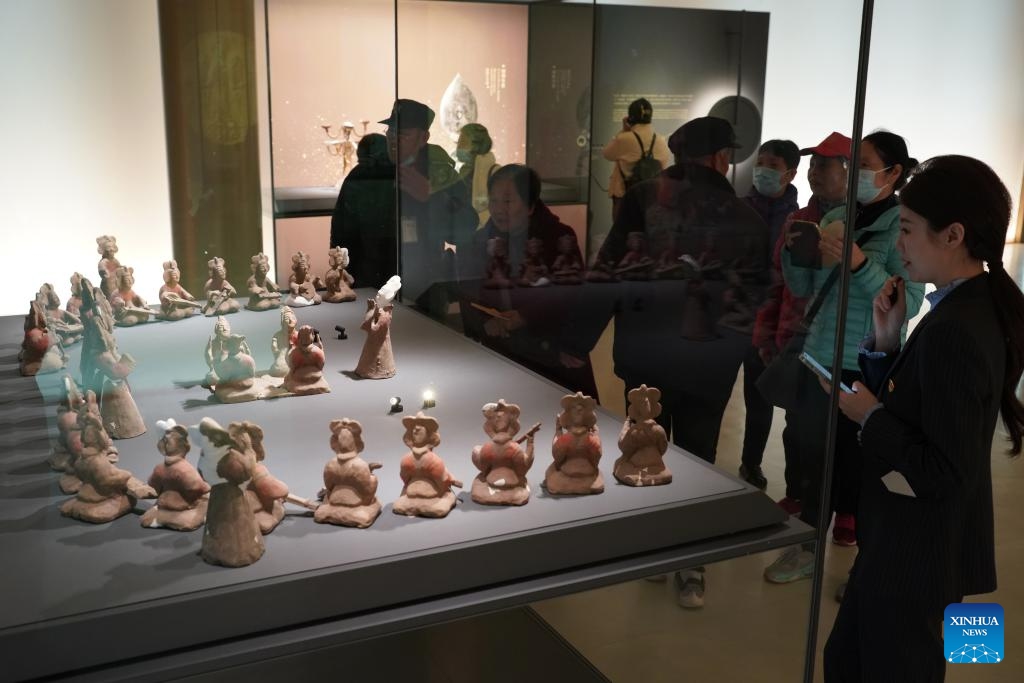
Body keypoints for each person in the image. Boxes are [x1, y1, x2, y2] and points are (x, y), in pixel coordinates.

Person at [823, 155, 1024, 682]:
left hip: (918, 555)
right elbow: (930, 407)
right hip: (927, 547)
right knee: (856, 658)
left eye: (908, 229)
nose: (899, 244)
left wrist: (869, 417)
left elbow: (945, 470)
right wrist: (888, 345)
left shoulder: (957, 327)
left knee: (887, 667)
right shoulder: (970, 307)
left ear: (953, 234)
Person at [566, 116, 770, 608]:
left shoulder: (643, 201)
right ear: (723, 157)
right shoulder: (745, 218)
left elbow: (610, 271)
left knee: (644, 448)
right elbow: (755, 295)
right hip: (708, 360)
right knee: (699, 454)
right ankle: (690, 564)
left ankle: (654, 547)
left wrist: (578, 339)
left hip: (647, 354)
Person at [764, 131, 924, 584]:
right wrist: (795, 254)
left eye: (866, 164)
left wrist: (858, 264)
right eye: (851, 164)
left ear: (893, 172)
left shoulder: (904, 226)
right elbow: (804, 290)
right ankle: (807, 547)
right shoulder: (836, 215)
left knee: (859, 472)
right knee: (814, 462)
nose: (855, 174)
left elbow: (907, 304)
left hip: (863, 367)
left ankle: (864, 572)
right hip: (818, 357)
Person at [753, 131, 852, 513]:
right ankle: (797, 493)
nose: (814, 173)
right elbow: (778, 284)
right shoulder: (799, 220)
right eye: (813, 165)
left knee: (846, 433)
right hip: (798, 340)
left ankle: (845, 509)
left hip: (845, 349)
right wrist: (765, 335)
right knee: (797, 429)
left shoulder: (866, 226)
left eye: (824, 165)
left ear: (849, 171)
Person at [461, 164, 597, 398]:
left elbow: (570, 293)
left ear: (531, 205)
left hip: (550, 352)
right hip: (501, 351)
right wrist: (486, 321)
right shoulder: (481, 240)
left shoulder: (558, 237)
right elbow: (469, 289)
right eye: (493, 201)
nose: (498, 209)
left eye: (507, 201)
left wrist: (525, 316)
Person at [738, 139, 800, 489]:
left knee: (758, 399)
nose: (763, 170)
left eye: (773, 166)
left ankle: (751, 463)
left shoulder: (799, 218)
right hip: (734, 318)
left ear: (791, 173)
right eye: (760, 163)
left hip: (770, 321)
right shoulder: (740, 208)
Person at [382, 98, 478, 319]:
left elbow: (466, 229)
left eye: (403, 133)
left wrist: (432, 198)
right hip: (377, 282)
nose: (393, 138)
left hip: (426, 284)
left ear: (424, 138)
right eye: (390, 130)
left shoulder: (442, 175)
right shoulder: (373, 171)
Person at [330, 133, 397, 290]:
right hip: (385, 252)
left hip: (364, 256)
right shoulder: (395, 173)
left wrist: (339, 259)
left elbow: (340, 225)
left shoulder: (356, 176)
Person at [601, 97, 672, 221]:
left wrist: (623, 130)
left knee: (623, 234)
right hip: (652, 199)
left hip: (624, 195)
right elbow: (664, 166)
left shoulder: (624, 138)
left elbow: (607, 154)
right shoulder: (661, 141)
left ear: (630, 118)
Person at [455, 123, 500, 228]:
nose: (458, 147)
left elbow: (499, 209)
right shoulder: (462, 173)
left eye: (463, 142)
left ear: (476, 145)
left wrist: (476, 223)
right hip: (465, 236)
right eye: (458, 143)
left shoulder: (496, 173)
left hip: (485, 236)